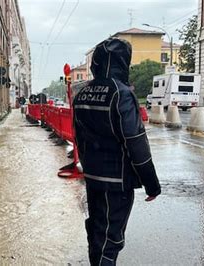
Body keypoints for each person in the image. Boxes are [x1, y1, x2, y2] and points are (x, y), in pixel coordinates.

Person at [73, 38, 161, 265]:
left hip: (92, 178)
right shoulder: (121, 93)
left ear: (97, 63)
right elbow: (136, 142)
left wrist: (87, 167)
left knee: (96, 230)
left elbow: (78, 137)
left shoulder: (82, 92)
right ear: (123, 62)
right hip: (117, 181)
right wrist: (151, 184)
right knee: (111, 240)